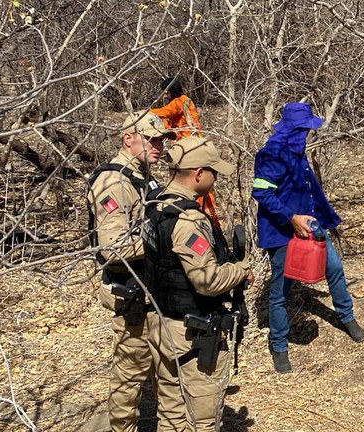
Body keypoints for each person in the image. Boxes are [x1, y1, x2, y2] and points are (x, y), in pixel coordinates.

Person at [142, 136, 253, 431]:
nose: (217, 177)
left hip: (160, 323)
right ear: (199, 174)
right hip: (190, 333)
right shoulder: (187, 220)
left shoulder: (155, 205)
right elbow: (207, 280)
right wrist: (241, 271)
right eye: (214, 171)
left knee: (170, 412)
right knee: (202, 420)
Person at [251, 102, 364, 373]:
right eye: (303, 130)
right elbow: (262, 193)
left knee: (335, 269)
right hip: (282, 232)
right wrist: (291, 217)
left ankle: (346, 317)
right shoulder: (272, 153)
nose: (306, 135)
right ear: (292, 129)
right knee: (281, 290)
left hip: (311, 227)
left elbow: (309, 191)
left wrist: (323, 220)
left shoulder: (298, 150)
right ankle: (279, 345)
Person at [87, 111, 175, 432]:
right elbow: (113, 249)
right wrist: (166, 243)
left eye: (161, 140)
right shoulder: (115, 181)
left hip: (153, 291)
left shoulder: (143, 175)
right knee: (130, 377)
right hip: (131, 295)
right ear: (128, 139)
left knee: (163, 369)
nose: (158, 146)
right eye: (151, 139)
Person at [150, 77, 221, 228]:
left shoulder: (180, 101)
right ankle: (211, 221)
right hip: (192, 145)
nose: (164, 95)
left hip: (188, 149)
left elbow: (164, 112)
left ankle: (207, 221)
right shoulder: (185, 100)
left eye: (166, 92)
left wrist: (145, 113)